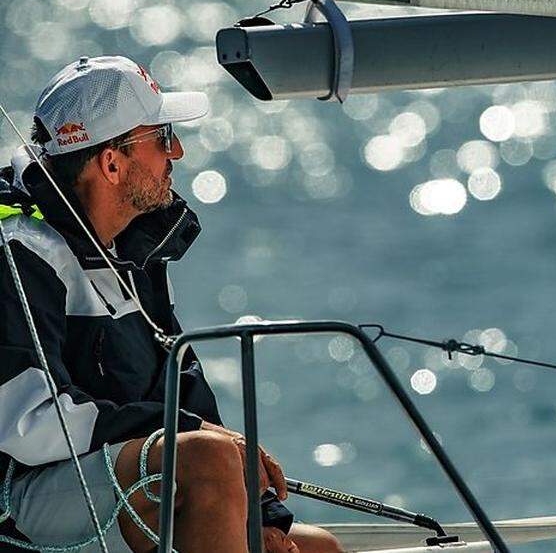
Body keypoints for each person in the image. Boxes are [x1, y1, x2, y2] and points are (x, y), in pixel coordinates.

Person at [0, 57, 341, 552]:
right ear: (111, 164)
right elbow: (28, 423)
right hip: (19, 501)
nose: (177, 151)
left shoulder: (132, 249)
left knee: (319, 548)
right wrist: (193, 436)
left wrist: (261, 515)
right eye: (161, 138)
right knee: (203, 456)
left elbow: (180, 390)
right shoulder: (20, 251)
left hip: (95, 478)